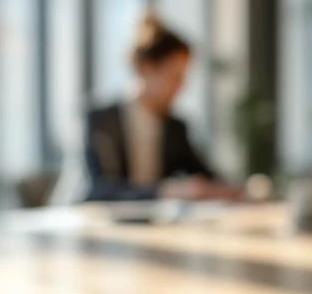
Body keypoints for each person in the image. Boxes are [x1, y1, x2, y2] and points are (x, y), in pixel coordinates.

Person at [53, 11, 239, 202]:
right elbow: (96, 189)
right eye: (174, 77)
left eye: (183, 78)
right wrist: (165, 191)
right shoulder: (98, 120)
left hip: (146, 227)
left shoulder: (175, 127)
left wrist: (235, 190)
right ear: (145, 68)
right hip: (80, 224)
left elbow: (207, 177)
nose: (181, 87)